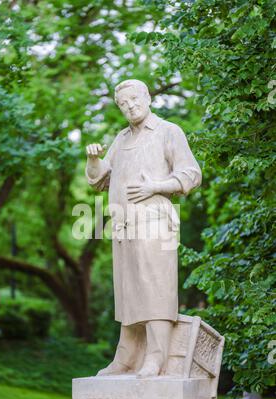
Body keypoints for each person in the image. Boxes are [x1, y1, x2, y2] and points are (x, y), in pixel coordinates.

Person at [85, 79, 202, 378]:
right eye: (123, 104)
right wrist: (94, 159)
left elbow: (191, 174)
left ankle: (156, 357)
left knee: (155, 288)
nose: (130, 107)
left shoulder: (168, 131)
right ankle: (125, 358)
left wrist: (156, 186)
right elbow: (99, 180)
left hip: (155, 222)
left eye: (134, 100)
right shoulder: (121, 139)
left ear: (148, 98)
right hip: (124, 227)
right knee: (128, 292)